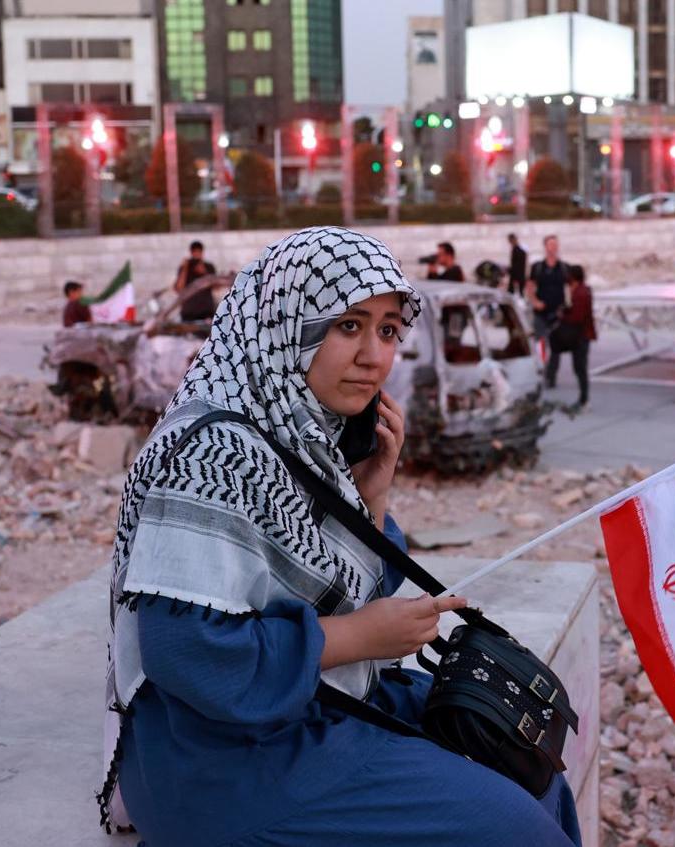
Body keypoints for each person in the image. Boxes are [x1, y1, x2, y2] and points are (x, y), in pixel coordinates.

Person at [98, 227, 582, 845]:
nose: (374, 356)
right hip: (224, 761)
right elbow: (185, 652)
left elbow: (350, 586)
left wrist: (373, 492)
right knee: (514, 829)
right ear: (285, 322)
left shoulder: (300, 433)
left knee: (529, 766)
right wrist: (354, 637)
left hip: (314, 706)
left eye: (386, 330)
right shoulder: (212, 456)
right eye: (348, 325)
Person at [545, 263, 596, 410]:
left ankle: (584, 400)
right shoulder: (580, 291)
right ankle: (583, 399)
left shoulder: (580, 293)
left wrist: (563, 315)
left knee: (580, 368)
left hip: (580, 336)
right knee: (579, 368)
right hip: (580, 336)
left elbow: (577, 317)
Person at [528, 235, 569, 348]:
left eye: (555, 244)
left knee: (556, 347)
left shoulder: (564, 267)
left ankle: (552, 365)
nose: (553, 247)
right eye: (551, 244)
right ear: (545, 247)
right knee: (540, 344)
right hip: (541, 313)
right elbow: (529, 286)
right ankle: (542, 365)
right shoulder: (537, 267)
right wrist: (535, 302)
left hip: (558, 313)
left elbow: (571, 287)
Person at [173, 240, 220, 322]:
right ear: (191, 253)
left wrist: (204, 273)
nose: (197, 254)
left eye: (199, 252)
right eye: (195, 252)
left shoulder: (209, 267)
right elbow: (179, 288)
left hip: (206, 311)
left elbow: (216, 287)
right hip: (189, 312)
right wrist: (185, 269)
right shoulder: (185, 268)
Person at [507, 233, 528, 297]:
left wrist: (512, 275)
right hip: (519, 276)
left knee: (514, 295)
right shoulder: (520, 250)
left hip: (517, 277)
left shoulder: (517, 250)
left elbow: (516, 266)